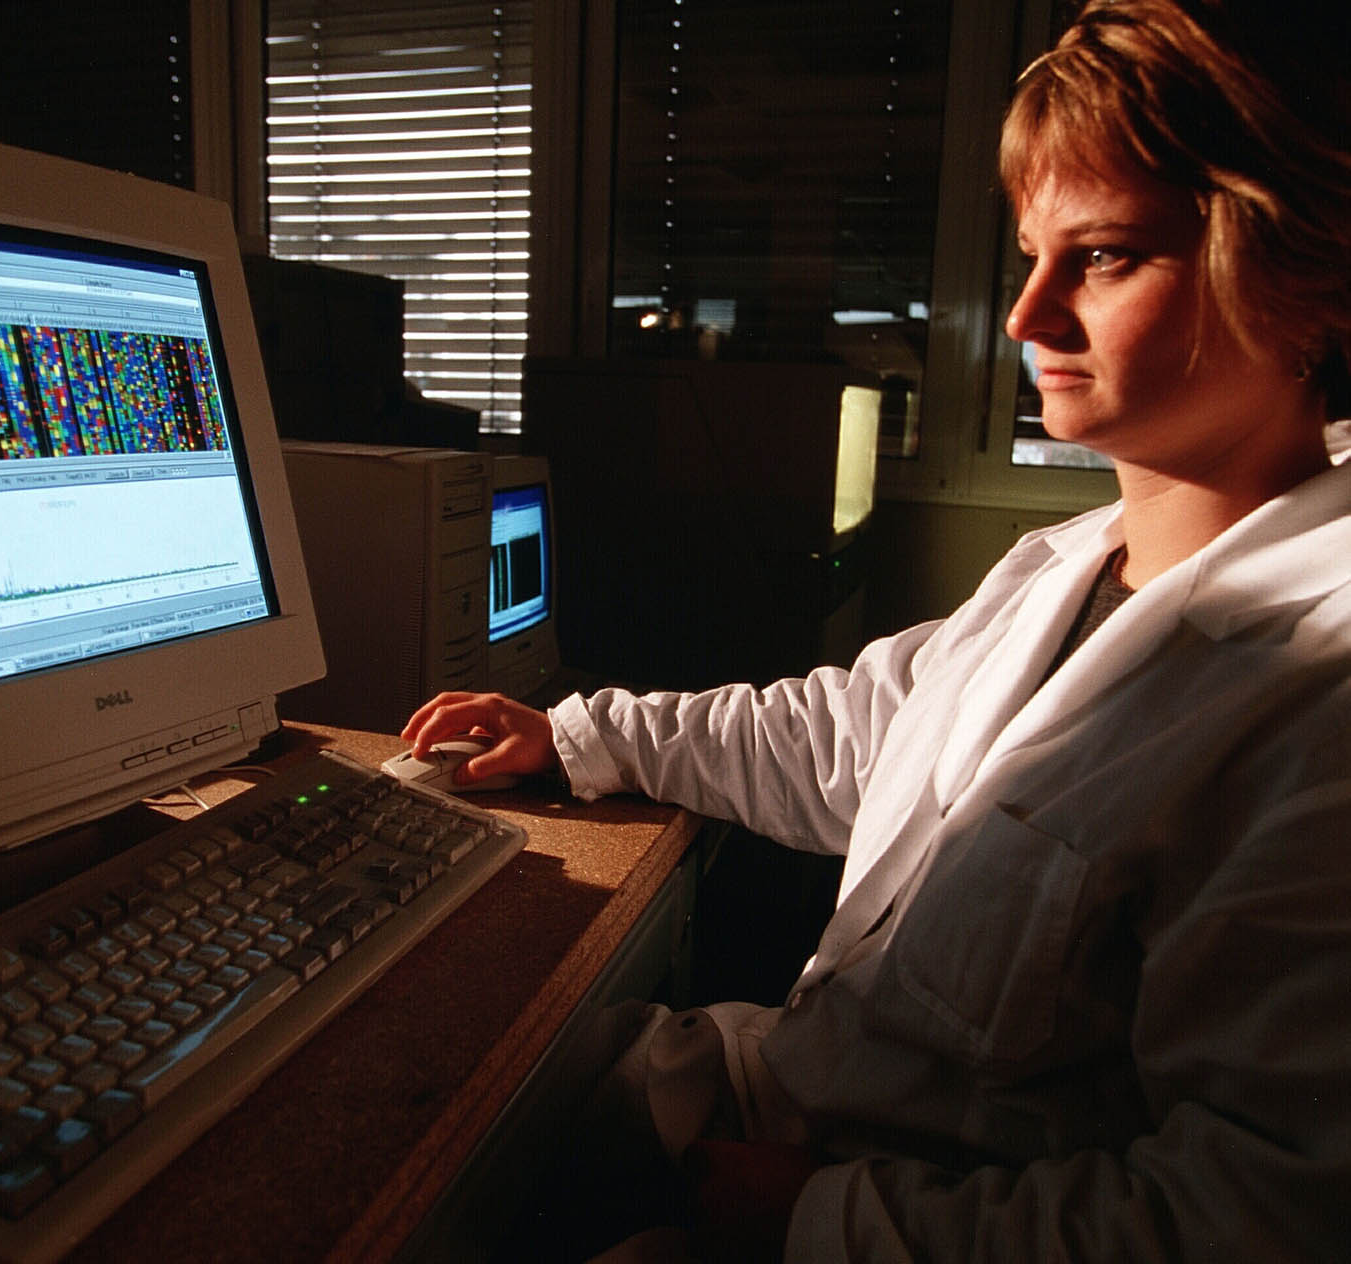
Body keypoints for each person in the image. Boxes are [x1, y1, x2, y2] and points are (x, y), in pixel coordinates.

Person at [401, 0, 1351, 1258]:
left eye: (1107, 257)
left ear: (1301, 273)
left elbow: (1257, 1216)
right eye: (1033, 256)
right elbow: (850, 732)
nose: (1025, 317)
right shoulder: (1067, 565)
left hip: (908, 1212)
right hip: (805, 1093)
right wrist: (582, 736)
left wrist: (818, 1215)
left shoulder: (1317, 700)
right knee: (437, 1086)